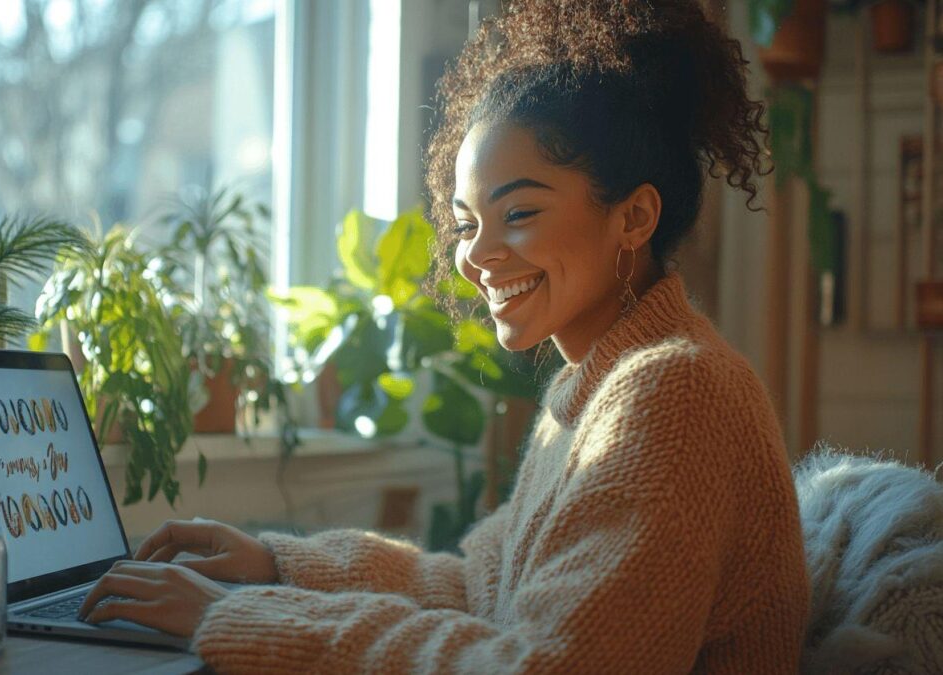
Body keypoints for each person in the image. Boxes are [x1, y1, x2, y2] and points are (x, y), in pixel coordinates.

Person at [79, 0, 811, 671]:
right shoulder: (593, 393)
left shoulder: (675, 390)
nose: (475, 255)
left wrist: (243, 615)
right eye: (466, 223)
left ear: (634, 217)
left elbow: (546, 666)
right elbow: (475, 586)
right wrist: (275, 565)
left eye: (518, 213)